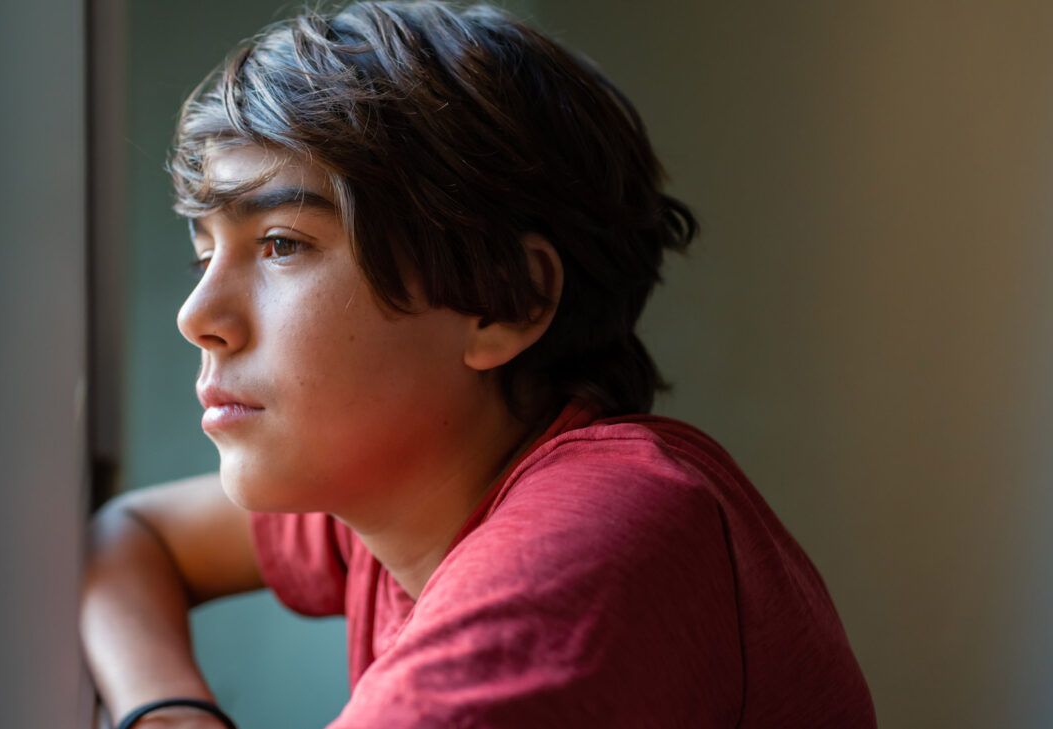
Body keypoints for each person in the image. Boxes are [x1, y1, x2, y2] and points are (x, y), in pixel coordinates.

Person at [80, 2, 878, 727]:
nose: (198, 317)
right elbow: (132, 536)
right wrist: (170, 712)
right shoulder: (408, 490)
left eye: (282, 244)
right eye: (205, 256)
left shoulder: (598, 534)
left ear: (506, 299)